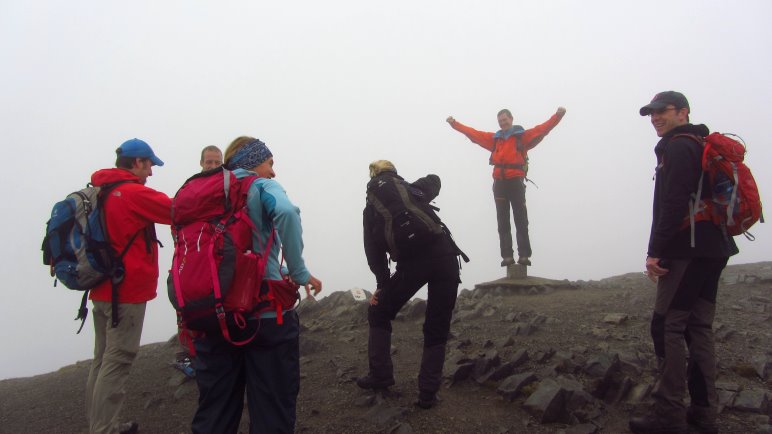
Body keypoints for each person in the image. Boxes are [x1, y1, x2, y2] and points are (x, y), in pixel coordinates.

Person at [191, 136, 323, 434]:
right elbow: (287, 213)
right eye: (269, 163)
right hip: (263, 314)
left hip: (213, 314)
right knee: (272, 408)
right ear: (252, 161)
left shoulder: (205, 190)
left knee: (215, 412)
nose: (273, 172)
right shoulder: (259, 185)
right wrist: (299, 273)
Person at [629, 91, 738, 434]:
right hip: (715, 247)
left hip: (687, 250)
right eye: (652, 113)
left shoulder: (678, 147)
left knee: (667, 325)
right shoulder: (699, 144)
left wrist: (655, 251)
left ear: (683, 112)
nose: (656, 117)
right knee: (699, 327)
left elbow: (672, 202)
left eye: (663, 111)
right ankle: (704, 413)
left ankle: (669, 414)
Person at [357, 160, 465, 409]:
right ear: (394, 172)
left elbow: (373, 251)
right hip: (446, 257)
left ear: (372, 177)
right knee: (437, 326)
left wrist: (382, 286)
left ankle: (381, 376)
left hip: (413, 264)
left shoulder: (371, 206)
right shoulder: (413, 190)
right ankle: (427, 394)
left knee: (378, 311)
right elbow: (435, 179)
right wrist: (413, 188)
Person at [85, 138, 172, 434]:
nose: (151, 172)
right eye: (149, 165)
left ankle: (100, 424)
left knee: (102, 358)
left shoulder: (101, 189)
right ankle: (103, 429)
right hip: (126, 292)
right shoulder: (133, 193)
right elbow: (178, 210)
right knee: (119, 359)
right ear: (137, 162)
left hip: (100, 288)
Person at [446, 107, 566, 267]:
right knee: (502, 222)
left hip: (515, 182)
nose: (502, 123)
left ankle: (524, 256)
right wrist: (454, 124)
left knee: (521, 220)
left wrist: (558, 115)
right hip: (499, 184)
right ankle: (507, 257)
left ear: (511, 119)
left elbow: (543, 129)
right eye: (500, 121)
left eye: (505, 120)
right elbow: (473, 133)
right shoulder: (495, 139)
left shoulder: (521, 137)